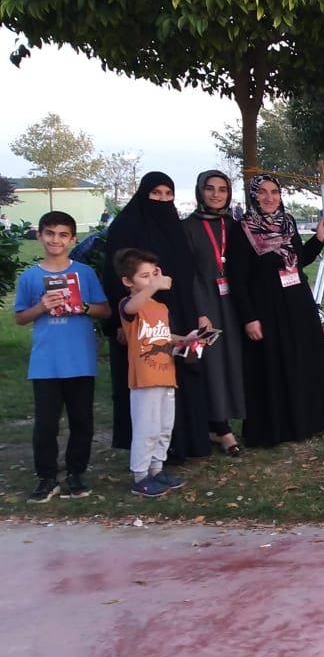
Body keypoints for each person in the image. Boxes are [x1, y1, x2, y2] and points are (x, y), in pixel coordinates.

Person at [101, 172, 212, 462]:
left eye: (168, 194)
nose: (163, 199)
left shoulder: (175, 227)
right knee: (149, 387)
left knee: (182, 374)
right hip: (139, 317)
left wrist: (198, 313)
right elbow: (114, 277)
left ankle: (183, 442)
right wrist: (118, 324)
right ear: (144, 195)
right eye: (156, 194)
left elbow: (187, 275)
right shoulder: (125, 227)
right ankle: (145, 457)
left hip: (179, 311)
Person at [227, 174, 324, 447]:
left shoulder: (287, 222)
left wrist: (319, 239)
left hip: (297, 303)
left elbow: (299, 261)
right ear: (253, 196)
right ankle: (278, 429)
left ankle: (310, 421)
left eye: (274, 192)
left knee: (304, 361)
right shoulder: (243, 229)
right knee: (273, 366)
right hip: (266, 308)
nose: (269, 197)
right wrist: (249, 318)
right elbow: (238, 279)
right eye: (263, 192)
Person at [13, 211, 112, 502]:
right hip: (46, 363)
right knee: (46, 424)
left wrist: (83, 307)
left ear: (72, 239)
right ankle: (46, 477)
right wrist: (41, 306)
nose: (55, 240)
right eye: (50, 233)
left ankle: (76, 473)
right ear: (40, 236)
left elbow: (105, 310)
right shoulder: (31, 277)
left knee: (82, 422)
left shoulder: (84, 274)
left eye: (62, 235)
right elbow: (20, 317)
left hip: (80, 360)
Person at [114, 247, 191, 498]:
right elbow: (131, 308)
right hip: (145, 378)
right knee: (146, 428)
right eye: (144, 276)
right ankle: (140, 475)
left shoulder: (159, 307)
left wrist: (187, 339)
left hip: (166, 375)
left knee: (163, 426)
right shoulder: (129, 305)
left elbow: (164, 336)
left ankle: (156, 469)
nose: (151, 281)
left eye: (152, 275)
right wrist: (155, 285)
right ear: (127, 281)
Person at [183, 171, 245, 456]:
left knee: (233, 361)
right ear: (200, 191)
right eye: (210, 189)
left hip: (232, 302)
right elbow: (186, 273)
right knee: (211, 363)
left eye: (222, 189)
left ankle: (223, 421)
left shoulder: (235, 226)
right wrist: (198, 311)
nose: (216, 195)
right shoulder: (186, 228)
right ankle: (222, 429)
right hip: (204, 303)